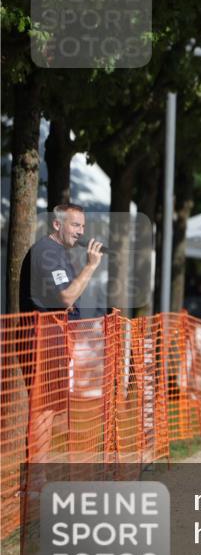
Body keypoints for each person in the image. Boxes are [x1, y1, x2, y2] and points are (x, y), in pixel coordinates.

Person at [17, 203, 105, 479]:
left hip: (54, 336)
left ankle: (36, 475)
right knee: (43, 406)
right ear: (58, 225)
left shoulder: (59, 253)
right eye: (75, 225)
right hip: (40, 336)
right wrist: (91, 267)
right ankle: (33, 478)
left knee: (50, 406)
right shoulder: (47, 252)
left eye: (82, 226)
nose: (81, 232)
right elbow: (66, 297)